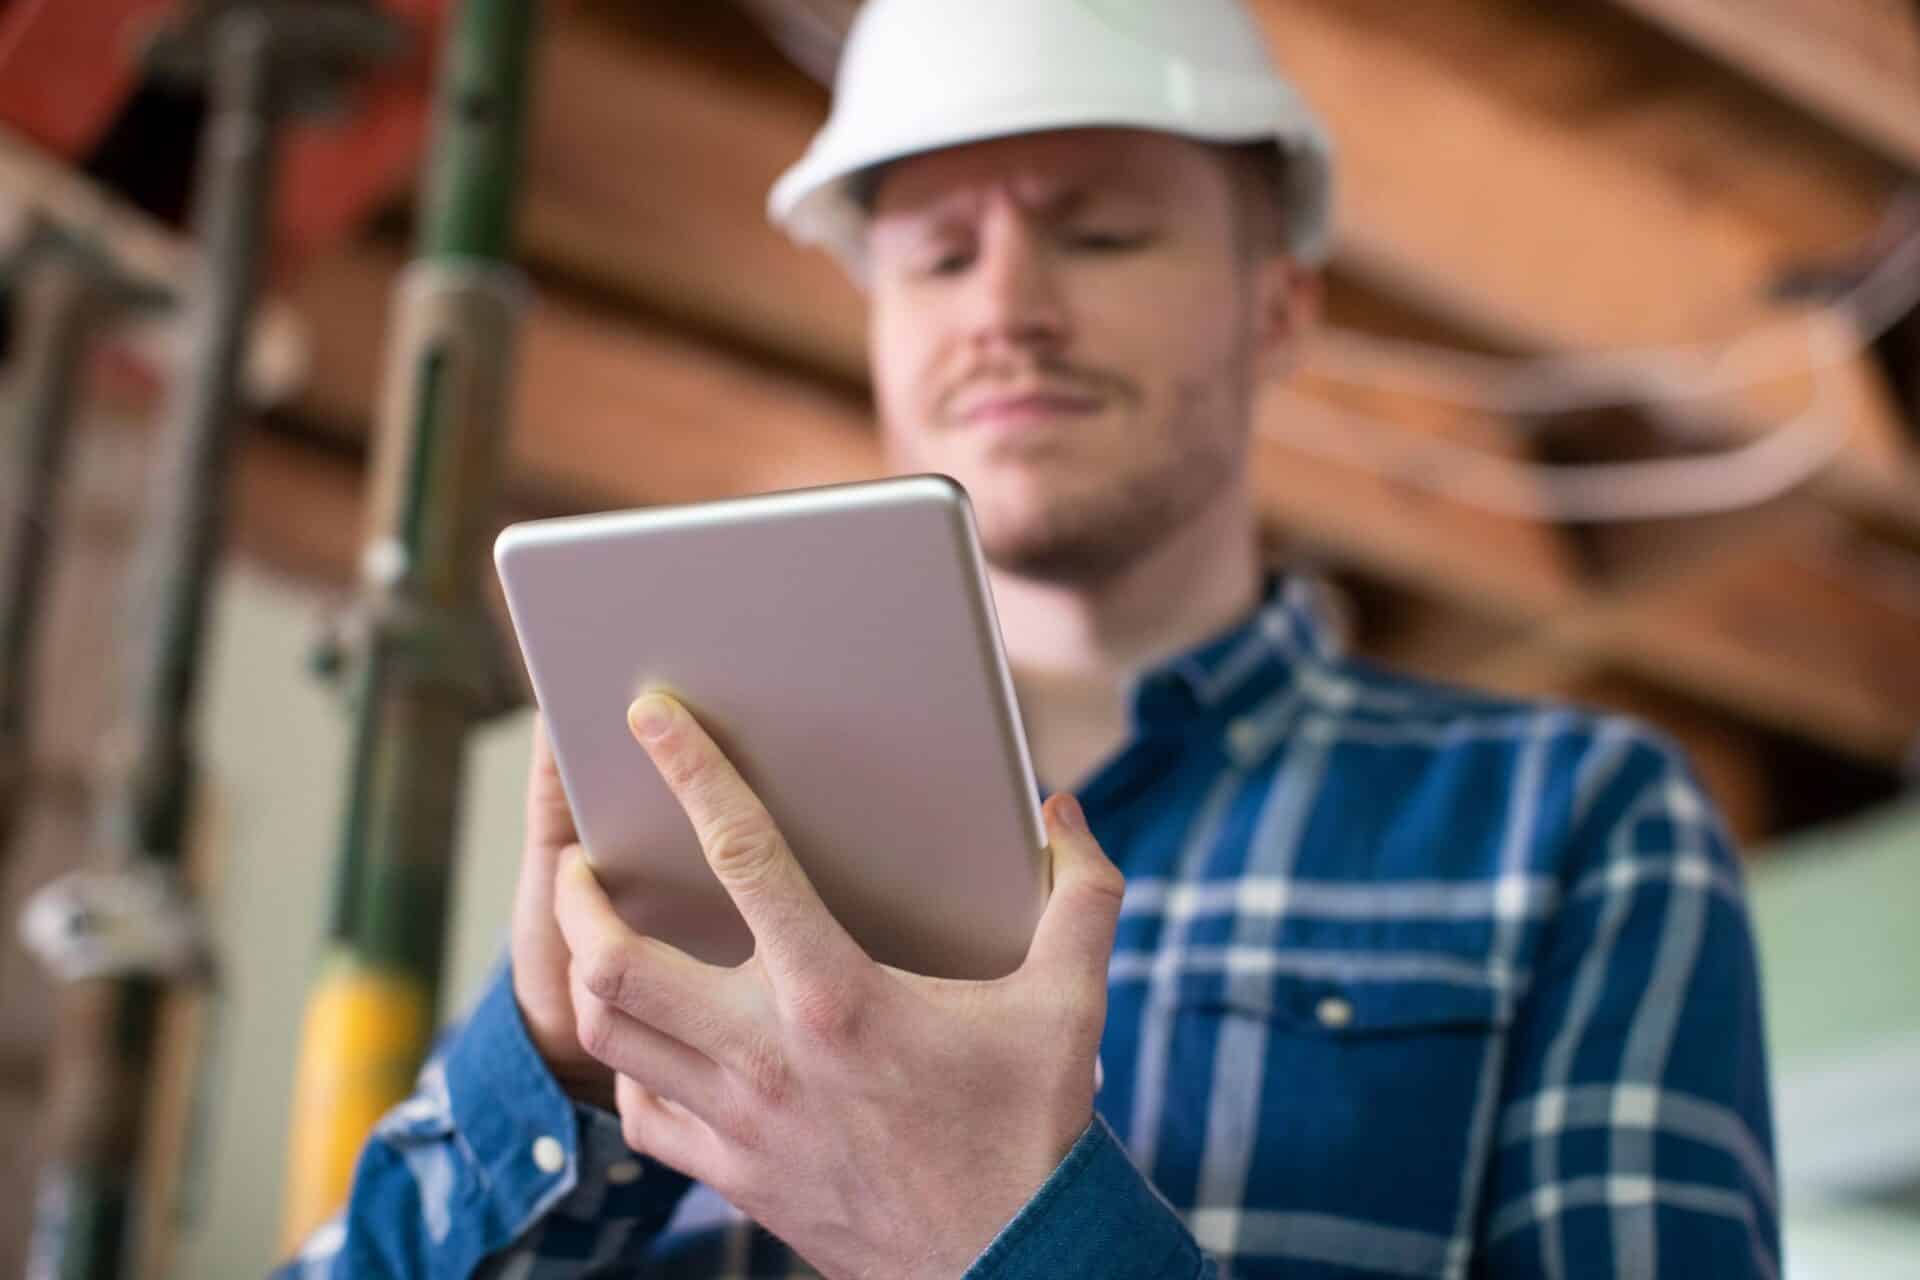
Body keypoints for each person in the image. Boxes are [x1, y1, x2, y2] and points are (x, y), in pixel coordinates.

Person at [281, 1, 1777, 1275]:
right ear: (877, 325)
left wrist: (999, 1229)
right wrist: (547, 1069)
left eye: (1104, 232)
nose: (1006, 308)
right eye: (935, 260)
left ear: (1276, 309)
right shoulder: (711, 824)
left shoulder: (1575, 822)